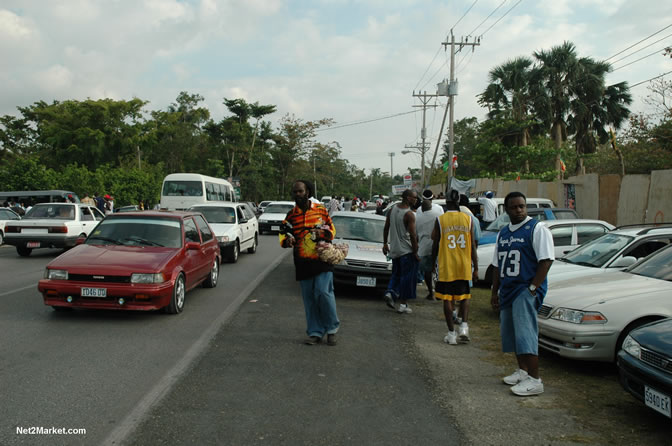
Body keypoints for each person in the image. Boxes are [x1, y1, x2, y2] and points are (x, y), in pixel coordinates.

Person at [490, 191, 554, 397]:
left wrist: (533, 289)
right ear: (506, 209)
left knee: (526, 334)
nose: (519, 210)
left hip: (525, 288)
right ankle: (523, 371)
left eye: (522, 206)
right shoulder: (503, 232)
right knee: (512, 334)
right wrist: (494, 292)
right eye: (514, 207)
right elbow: (498, 266)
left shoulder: (537, 228)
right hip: (508, 289)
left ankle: (535, 380)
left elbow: (546, 260)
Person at [279, 179, 340, 346]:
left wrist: (321, 233)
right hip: (302, 263)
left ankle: (332, 329)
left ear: (308, 193)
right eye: (295, 192)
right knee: (309, 299)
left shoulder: (320, 211)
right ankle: (315, 332)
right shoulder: (291, 215)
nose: (297, 194)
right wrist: (287, 240)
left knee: (323, 293)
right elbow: (283, 234)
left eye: (300, 191)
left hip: (321, 260)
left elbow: (332, 231)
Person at [431, 189, 478, 345]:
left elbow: (435, 244)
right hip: (464, 265)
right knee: (464, 297)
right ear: (459, 201)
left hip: (446, 266)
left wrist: (432, 264)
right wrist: (476, 267)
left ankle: (451, 334)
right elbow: (473, 245)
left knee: (447, 299)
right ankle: (464, 327)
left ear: (446, 202)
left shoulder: (440, 220)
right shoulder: (468, 219)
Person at [382, 188, 420, 314]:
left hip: (395, 250)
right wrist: (415, 251)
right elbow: (413, 235)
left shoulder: (392, 210)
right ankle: (403, 304)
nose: (416, 200)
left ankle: (390, 292)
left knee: (396, 274)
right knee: (407, 278)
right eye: (414, 197)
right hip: (406, 251)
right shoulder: (409, 214)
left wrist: (385, 244)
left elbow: (386, 228)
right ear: (408, 198)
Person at [416, 190, 444, 301]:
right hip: (437, 244)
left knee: (427, 270)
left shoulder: (418, 211)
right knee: (438, 269)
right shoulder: (439, 210)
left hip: (423, 246)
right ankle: (439, 292)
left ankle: (431, 292)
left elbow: (416, 230)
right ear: (432, 199)